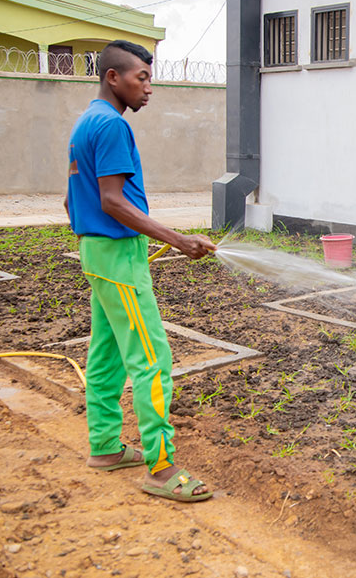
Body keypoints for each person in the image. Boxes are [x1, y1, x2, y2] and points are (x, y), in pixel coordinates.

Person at [64, 40, 216, 502]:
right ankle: (162, 468)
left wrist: (93, 240)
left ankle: (106, 445)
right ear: (113, 77)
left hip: (99, 254)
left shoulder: (85, 122)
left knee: (108, 354)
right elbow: (112, 201)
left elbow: (73, 199)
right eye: (141, 78)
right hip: (116, 257)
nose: (149, 88)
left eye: (150, 78)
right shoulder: (111, 126)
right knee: (153, 360)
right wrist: (178, 240)